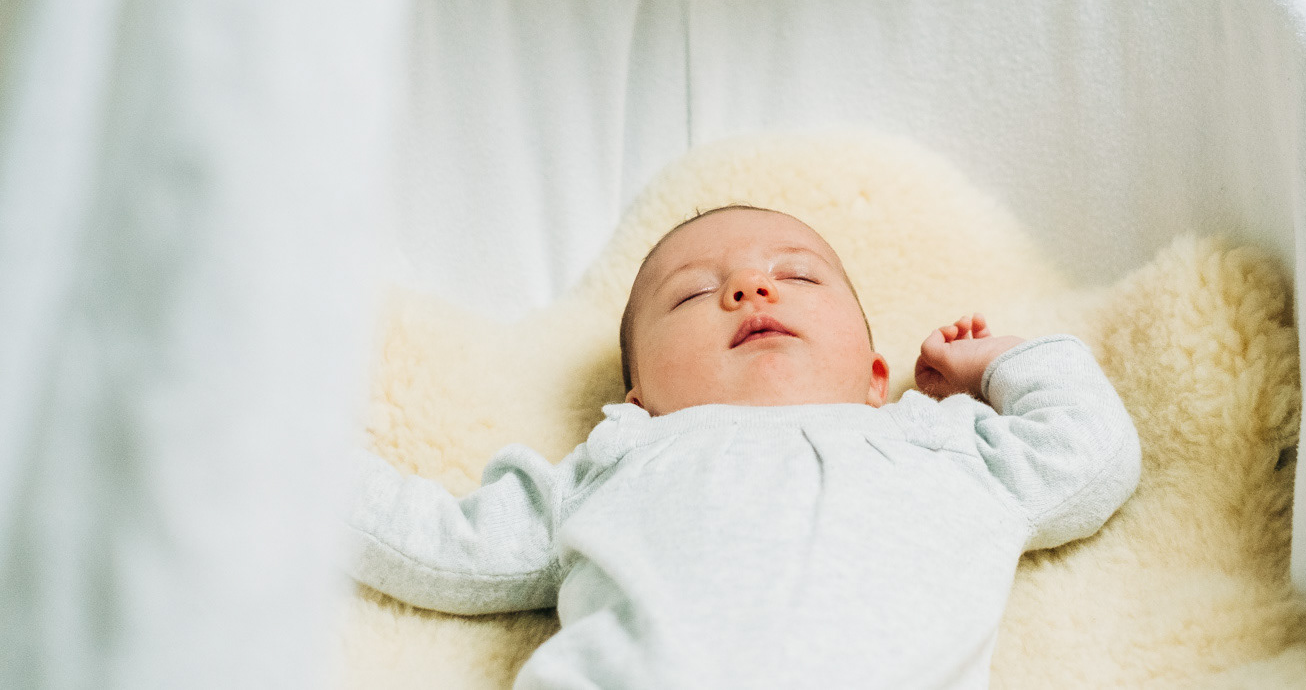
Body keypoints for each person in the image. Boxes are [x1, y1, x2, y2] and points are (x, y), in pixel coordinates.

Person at [348, 205, 1141, 689]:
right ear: (638, 400)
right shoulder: (616, 463)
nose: (750, 289)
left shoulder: (936, 441)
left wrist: (1000, 362)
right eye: (693, 292)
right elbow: (442, 542)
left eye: (798, 276)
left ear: (874, 375)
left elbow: (1092, 450)